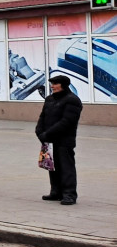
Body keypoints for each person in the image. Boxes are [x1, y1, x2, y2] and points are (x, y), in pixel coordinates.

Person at [36, 74, 82, 205]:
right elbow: (42, 117)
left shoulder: (72, 100)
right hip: (49, 140)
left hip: (64, 141)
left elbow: (67, 121)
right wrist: (39, 131)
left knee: (66, 167)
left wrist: (47, 134)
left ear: (63, 85)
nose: (52, 86)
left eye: (55, 84)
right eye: (52, 84)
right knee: (52, 167)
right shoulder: (49, 99)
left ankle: (69, 194)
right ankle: (56, 192)